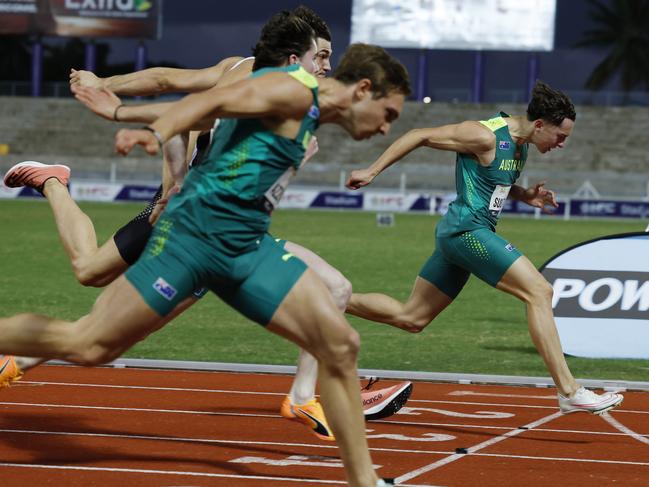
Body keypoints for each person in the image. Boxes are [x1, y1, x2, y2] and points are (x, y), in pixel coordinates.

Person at [0, 39, 411, 487]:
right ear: (363, 90)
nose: (386, 129)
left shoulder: (314, 110)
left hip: (246, 248)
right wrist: (137, 123)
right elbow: (209, 102)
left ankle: (364, 481)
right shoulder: (293, 89)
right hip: (191, 239)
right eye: (388, 115)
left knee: (339, 344)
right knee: (89, 345)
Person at [345, 80, 623, 416]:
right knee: (539, 291)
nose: (561, 144)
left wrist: (525, 195)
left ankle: (330, 298)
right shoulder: (484, 135)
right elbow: (418, 134)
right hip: (467, 231)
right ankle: (569, 390)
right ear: (539, 125)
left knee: (411, 317)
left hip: (462, 234)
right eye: (560, 136)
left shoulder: (521, 144)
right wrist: (371, 171)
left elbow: (495, 180)